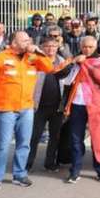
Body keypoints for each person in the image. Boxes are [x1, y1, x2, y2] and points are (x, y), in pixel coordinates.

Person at [0, 31, 55, 190]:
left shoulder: (32, 58)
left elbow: (48, 68)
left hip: (26, 108)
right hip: (6, 109)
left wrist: (38, 52)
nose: (29, 42)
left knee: (24, 144)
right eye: (24, 40)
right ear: (13, 42)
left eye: (29, 39)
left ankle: (19, 175)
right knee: (3, 144)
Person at [61, 36, 100, 183]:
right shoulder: (76, 61)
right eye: (84, 47)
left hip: (96, 105)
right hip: (77, 104)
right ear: (81, 47)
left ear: (95, 47)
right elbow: (64, 77)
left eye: (90, 47)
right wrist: (75, 63)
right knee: (76, 139)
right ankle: (75, 171)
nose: (87, 50)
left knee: (98, 138)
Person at [27, 36, 73, 173]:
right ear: (41, 47)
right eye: (47, 46)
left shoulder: (63, 62)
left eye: (53, 46)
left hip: (57, 107)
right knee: (34, 136)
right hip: (38, 106)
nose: (51, 49)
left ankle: (50, 163)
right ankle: (27, 163)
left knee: (55, 136)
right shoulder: (35, 61)